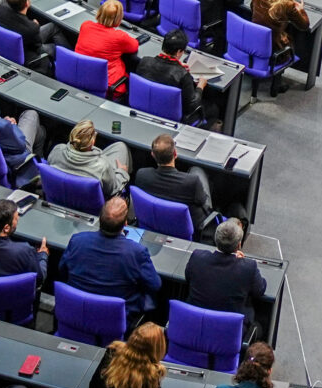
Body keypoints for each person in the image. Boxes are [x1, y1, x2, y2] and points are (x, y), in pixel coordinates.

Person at [59, 195, 164, 324]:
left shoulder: (77, 241)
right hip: (114, 320)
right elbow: (155, 284)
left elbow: (62, 270)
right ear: (126, 224)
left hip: (76, 311)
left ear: (100, 218)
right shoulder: (137, 252)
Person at [187, 216, 269, 334]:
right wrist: (242, 262)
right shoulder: (248, 267)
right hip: (228, 331)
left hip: (195, 323)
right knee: (259, 326)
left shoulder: (197, 257)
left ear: (216, 239)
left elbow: (188, 277)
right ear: (239, 245)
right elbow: (260, 289)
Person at [133, 130, 218, 235]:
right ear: (175, 154)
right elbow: (202, 201)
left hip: (154, 225)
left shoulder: (141, 175)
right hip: (192, 229)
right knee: (197, 170)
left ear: (153, 155)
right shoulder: (192, 182)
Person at [131, 30, 213, 125]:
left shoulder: (144, 62)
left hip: (143, 110)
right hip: (171, 120)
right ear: (178, 52)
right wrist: (201, 86)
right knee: (213, 109)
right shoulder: (183, 75)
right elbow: (191, 106)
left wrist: (177, 65)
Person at [74, 0, 141, 98]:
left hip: (80, 76)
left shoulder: (86, 25)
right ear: (119, 18)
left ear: (99, 13)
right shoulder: (119, 37)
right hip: (108, 85)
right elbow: (134, 46)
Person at [48, 118, 132, 196]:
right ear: (93, 142)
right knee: (121, 147)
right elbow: (113, 189)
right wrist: (122, 172)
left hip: (59, 196)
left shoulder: (57, 150)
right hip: (95, 208)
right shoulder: (102, 166)